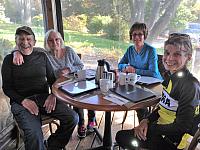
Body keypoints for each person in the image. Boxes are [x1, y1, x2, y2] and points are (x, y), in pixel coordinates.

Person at [115, 33, 200, 150]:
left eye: (177, 54)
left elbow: (182, 126)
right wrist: (146, 120)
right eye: (167, 53)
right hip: (161, 130)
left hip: (173, 140)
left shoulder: (189, 85)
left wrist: (151, 128)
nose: (169, 58)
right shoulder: (171, 76)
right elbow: (163, 107)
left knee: (122, 137)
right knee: (123, 136)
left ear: (188, 57)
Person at [1, 26, 79, 150]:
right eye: (21, 39)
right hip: (21, 102)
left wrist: (53, 95)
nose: (25, 43)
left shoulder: (42, 56)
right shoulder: (9, 60)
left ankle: (52, 146)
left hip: (43, 98)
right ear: (16, 42)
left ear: (34, 42)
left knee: (73, 118)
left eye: (28, 39)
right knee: (34, 133)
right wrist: (24, 101)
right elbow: (7, 88)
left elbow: (53, 79)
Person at [13, 29, 96, 138]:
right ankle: (81, 124)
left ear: (61, 40)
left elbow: (80, 65)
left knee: (88, 92)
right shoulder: (44, 54)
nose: (55, 42)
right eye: (51, 40)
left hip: (74, 83)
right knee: (75, 98)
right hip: (58, 88)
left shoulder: (69, 51)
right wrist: (16, 52)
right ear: (46, 43)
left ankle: (91, 120)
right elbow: (23, 46)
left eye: (57, 39)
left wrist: (69, 69)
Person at [118, 22, 162, 122]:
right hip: (137, 84)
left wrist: (134, 70)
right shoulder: (130, 50)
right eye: (134, 34)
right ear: (131, 36)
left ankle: (144, 127)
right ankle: (144, 125)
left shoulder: (151, 50)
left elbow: (153, 72)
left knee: (139, 103)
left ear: (144, 36)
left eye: (140, 34)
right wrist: (126, 67)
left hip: (153, 86)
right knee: (122, 95)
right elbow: (120, 65)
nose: (137, 37)